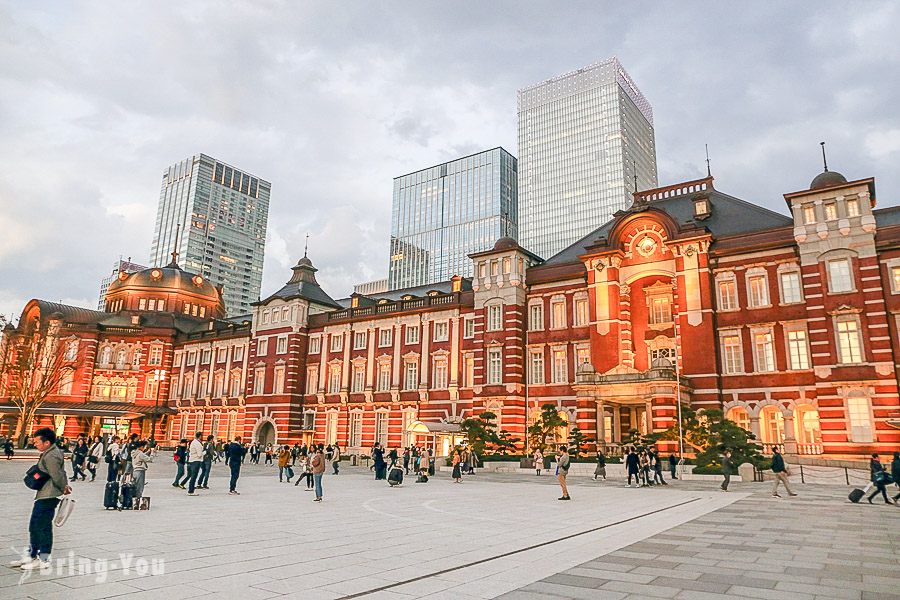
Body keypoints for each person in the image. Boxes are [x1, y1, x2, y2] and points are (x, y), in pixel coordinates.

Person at [10, 427, 71, 570]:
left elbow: (57, 475)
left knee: (42, 526)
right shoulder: (50, 453)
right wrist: (64, 485)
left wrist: (63, 487)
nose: (35, 444)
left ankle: (43, 559)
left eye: (37, 441)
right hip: (44, 494)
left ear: (47, 442)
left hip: (49, 495)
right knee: (35, 525)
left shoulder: (51, 456)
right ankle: (32, 555)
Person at [186, 431, 204, 496]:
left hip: (192, 460)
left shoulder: (194, 442)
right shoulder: (197, 443)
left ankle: (191, 490)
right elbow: (199, 454)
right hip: (196, 460)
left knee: (193, 476)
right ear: (199, 436)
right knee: (194, 476)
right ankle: (191, 491)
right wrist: (205, 452)